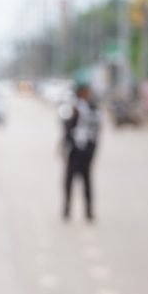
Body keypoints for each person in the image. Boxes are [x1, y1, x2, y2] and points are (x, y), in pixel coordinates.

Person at [62, 81, 100, 221]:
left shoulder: (93, 107)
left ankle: (89, 211)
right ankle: (66, 209)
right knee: (68, 181)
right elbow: (66, 127)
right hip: (74, 150)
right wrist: (64, 145)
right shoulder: (72, 106)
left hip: (86, 152)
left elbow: (96, 130)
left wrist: (93, 150)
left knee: (87, 182)